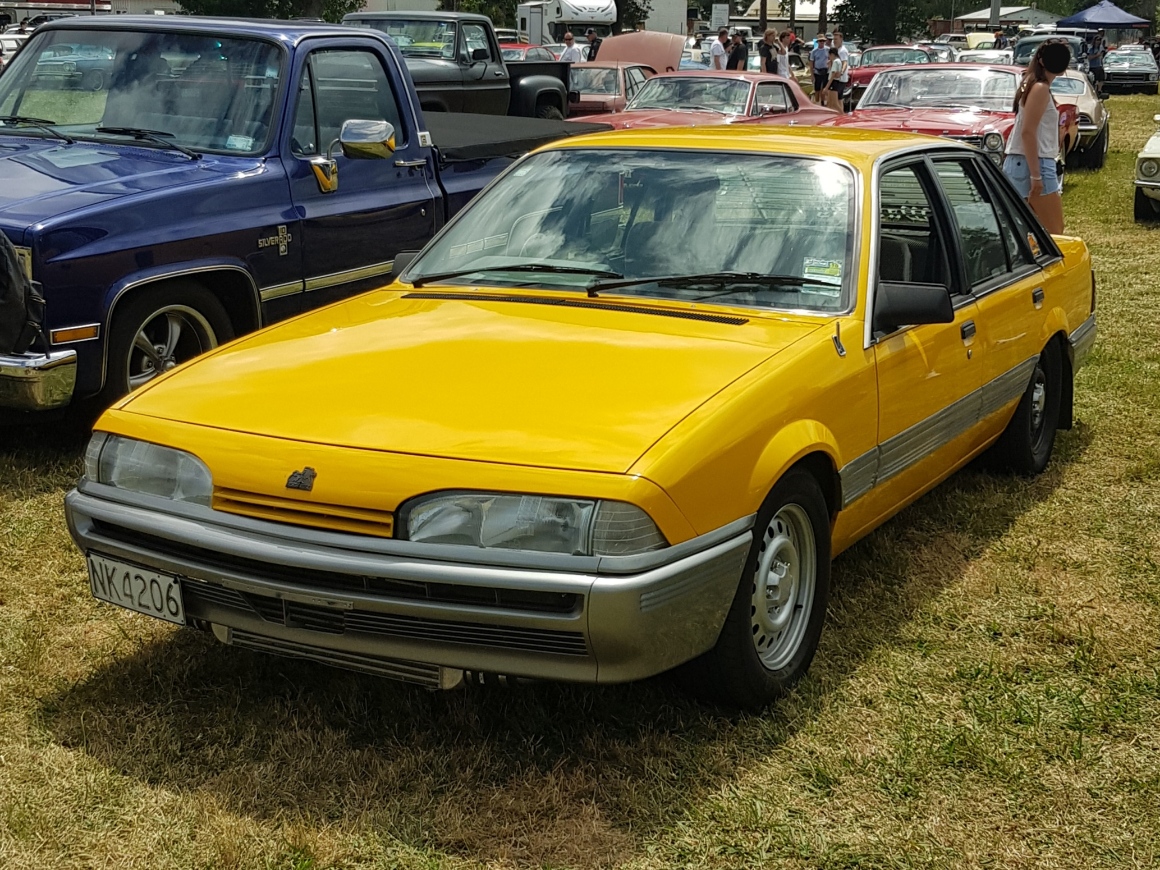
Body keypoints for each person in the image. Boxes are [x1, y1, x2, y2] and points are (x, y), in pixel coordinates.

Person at [1003, 39, 1071, 234]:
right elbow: (1028, 132)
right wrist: (1036, 175)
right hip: (1034, 163)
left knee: (1024, 232)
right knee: (1055, 233)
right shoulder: (1040, 88)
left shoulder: (1032, 83)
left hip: (1022, 162)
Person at [828, 31, 849, 112]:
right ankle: (841, 117)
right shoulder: (836, 50)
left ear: (841, 39)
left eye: (836, 39)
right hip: (840, 80)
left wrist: (841, 72)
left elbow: (845, 63)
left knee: (834, 103)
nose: (835, 41)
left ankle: (843, 116)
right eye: (834, 39)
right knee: (839, 101)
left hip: (839, 79)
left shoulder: (842, 51)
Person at [810, 32, 829, 103]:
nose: (822, 42)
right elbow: (811, 63)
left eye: (823, 41)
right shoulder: (814, 51)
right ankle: (817, 101)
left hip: (825, 71)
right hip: (817, 72)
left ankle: (823, 102)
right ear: (818, 42)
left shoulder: (828, 49)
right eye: (820, 41)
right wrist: (812, 75)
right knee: (817, 89)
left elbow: (831, 59)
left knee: (824, 88)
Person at [1088, 29, 1106, 96]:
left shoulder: (1101, 47)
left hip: (1099, 66)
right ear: (1094, 40)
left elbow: (1102, 56)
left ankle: (1099, 90)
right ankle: (1093, 90)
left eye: (1100, 40)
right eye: (1097, 40)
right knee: (1094, 80)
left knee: (1101, 79)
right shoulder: (1090, 48)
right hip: (1093, 66)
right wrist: (1096, 55)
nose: (1099, 41)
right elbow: (1089, 58)